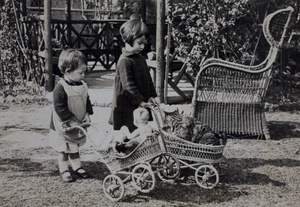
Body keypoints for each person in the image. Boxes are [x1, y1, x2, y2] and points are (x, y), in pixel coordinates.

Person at [49, 49, 93, 182]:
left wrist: (87, 114)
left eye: (84, 71)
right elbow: (60, 107)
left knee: (74, 146)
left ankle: (77, 166)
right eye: (80, 72)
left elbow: (87, 100)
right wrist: (70, 121)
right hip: (63, 125)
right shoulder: (60, 88)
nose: (83, 75)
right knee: (63, 149)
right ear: (68, 71)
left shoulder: (83, 85)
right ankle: (64, 169)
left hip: (77, 122)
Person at [109, 19, 157, 132]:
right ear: (129, 40)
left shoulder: (140, 58)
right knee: (128, 130)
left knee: (140, 128)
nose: (142, 47)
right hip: (127, 104)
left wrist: (151, 96)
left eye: (144, 43)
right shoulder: (124, 61)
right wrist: (140, 101)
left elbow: (148, 79)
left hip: (140, 102)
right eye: (139, 43)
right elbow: (128, 85)